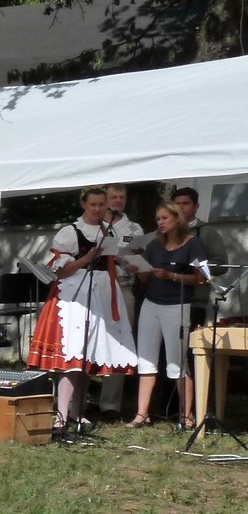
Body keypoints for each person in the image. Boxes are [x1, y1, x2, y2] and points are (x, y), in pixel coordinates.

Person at [26, 186, 139, 436]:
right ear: (84, 205)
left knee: (88, 356)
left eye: (101, 204)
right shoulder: (71, 232)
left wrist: (129, 262)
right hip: (75, 295)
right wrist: (87, 258)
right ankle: (61, 414)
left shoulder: (108, 230)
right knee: (73, 356)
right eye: (93, 204)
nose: (97, 209)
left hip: (101, 293)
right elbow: (61, 271)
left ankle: (77, 411)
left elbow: (113, 259)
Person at [127, 201, 208, 430]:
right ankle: (142, 413)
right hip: (151, 304)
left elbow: (201, 278)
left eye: (165, 218)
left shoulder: (193, 243)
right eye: (158, 219)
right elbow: (147, 279)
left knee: (176, 362)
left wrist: (171, 276)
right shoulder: (154, 245)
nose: (160, 223)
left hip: (177, 305)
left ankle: (187, 415)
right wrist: (139, 269)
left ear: (177, 218)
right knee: (145, 359)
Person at [96, 183, 144, 419]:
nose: (117, 201)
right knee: (88, 341)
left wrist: (126, 257)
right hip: (95, 290)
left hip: (122, 288)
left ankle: (110, 405)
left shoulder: (133, 228)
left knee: (119, 344)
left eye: (121, 197)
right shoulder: (92, 223)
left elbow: (139, 258)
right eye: (113, 197)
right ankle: (76, 402)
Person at [170, 187, 229, 327]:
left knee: (191, 339)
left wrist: (195, 267)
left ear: (196, 206)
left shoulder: (207, 232)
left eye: (185, 203)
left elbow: (221, 264)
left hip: (195, 300)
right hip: (164, 298)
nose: (181, 208)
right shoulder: (165, 231)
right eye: (177, 204)